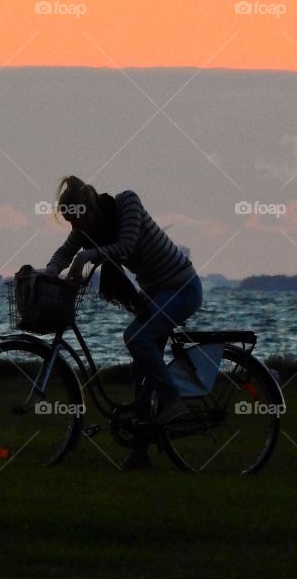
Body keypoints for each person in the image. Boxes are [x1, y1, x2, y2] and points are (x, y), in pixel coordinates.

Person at [44, 175, 202, 470]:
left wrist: (85, 258)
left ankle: (172, 402)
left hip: (182, 288)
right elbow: (66, 251)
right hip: (157, 295)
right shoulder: (88, 229)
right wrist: (49, 272)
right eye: (70, 223)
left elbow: (125, 246)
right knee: (139, 368)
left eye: (76, 220)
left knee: (137, 338)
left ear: (88, 208)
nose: (75, 228)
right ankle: (140, 452)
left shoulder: (127, 202)